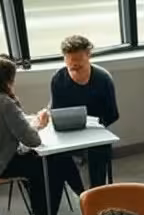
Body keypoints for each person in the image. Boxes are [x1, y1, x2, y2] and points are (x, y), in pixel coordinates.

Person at [0, 55, 84, 215]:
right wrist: (40, 124)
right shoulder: (5, 102)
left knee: (55, 161)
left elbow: (9, 125)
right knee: (57, 161)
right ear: (8, 79)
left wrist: (28, 122)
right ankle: (65, 206)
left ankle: (61, 206)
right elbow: (32, 140)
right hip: (2, 163)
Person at [50, 35, 119, 188]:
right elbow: (56, 112)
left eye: (78, 63)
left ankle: (96, 192)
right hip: (68, 133)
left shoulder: (103, 79)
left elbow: (112, 113)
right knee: (56, 158)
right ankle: (81, 194)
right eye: (70, 64)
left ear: (88, 55)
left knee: (98, 154)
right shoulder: (58, 79)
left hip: (96, 133)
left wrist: (94, 124)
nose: (74, 66)